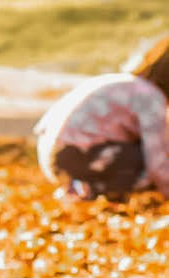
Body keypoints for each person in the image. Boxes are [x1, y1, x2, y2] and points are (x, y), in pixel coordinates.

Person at [35, 34, 169, 201]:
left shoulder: (122, 82)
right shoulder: (150, 97)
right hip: (78, 158)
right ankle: (89, 189)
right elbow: (157, 162)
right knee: (153, 157)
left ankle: (80, 187)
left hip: (52, 158)